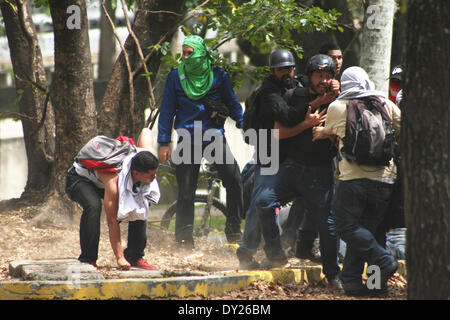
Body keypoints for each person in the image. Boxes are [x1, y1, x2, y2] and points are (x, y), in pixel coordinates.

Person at [312, 66, 401, 297]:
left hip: (354, 179)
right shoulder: (386, 104)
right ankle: (364, 284)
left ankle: (384, 260)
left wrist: (321, 132)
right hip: (385, 179)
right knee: (368, 231)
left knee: (345, 225)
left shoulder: (337, 107)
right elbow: (401, 129)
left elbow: (329, 130)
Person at [236, 50, 327, 270]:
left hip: (289, 154)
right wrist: (314, 107)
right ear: (272, 71)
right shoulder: (269, 92)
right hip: (269, 152)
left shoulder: (295, 83)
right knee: (261, 203)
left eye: (289, 68)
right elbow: (286, 116)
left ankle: (285, 245)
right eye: (281, 69)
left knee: (301, 200)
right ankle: (247, 252)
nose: (286, 72)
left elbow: (314, 86)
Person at [157, 35, 244, 248]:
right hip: (187, 137)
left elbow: (233, 104)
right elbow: (167, 111)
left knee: (234, 179)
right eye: (184, 53)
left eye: (190, 53)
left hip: (213, 135)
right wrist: (164, 142)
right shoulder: (176, 77)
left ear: (200, 53)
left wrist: (244, 124)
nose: (186, 57)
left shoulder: (218, 76)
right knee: (186, 191)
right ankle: (184, 239)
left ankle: (233, 230)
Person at [272, 54, 342, 289]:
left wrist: (329, 133)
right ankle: (271, 254)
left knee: (327, 223)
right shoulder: (295, 95)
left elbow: (346, 136)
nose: (323, 80)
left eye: (328, 76)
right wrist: (307, 122)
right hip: (292, 167)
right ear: (309, 76)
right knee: (262, 202)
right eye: (318, 75)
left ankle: (332, 274)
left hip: (321, 171)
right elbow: (278, 131)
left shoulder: (339, 102)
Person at [65, 128, 160, 270]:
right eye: (151, 176)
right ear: (136, 173)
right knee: (93, 205)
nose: (154, 179)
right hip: (79, 179)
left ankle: (135, 256)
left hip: (102, 182)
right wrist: (120, 258)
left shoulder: (145, 156)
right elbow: (112, 221)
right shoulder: (113, 181)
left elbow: (146, 131)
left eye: (155, 174)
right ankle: (88, 259)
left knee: (141, 203)